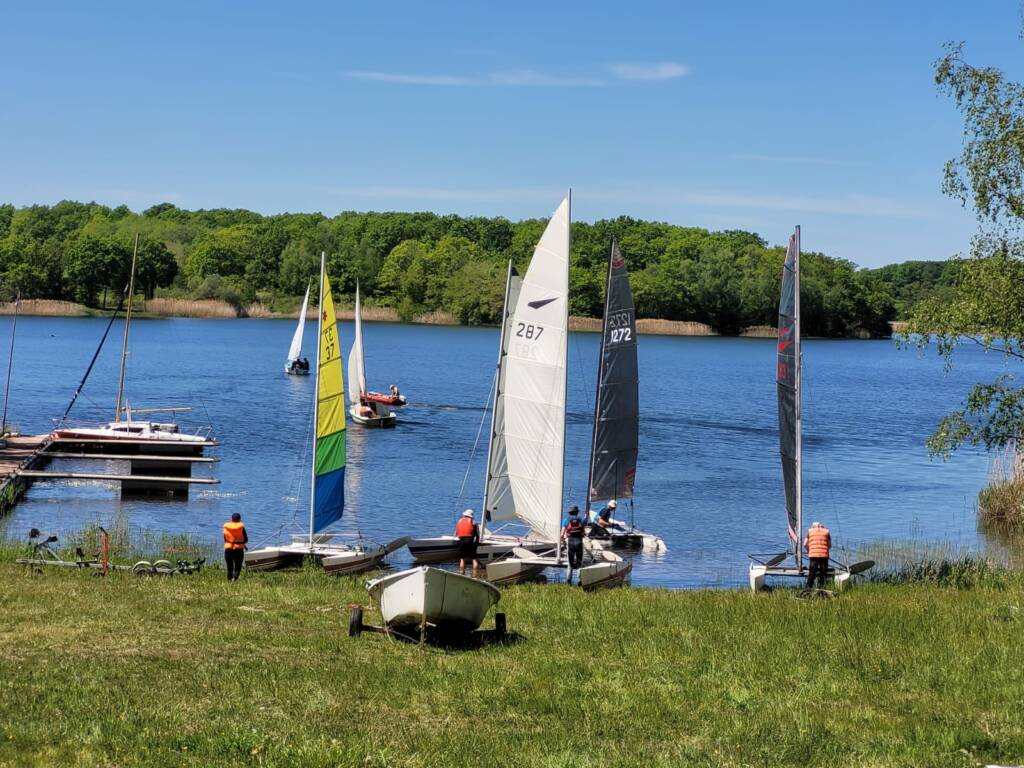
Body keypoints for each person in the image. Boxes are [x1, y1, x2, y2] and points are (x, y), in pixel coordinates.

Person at [803, 521, 831, 590]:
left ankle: (808, 589)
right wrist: (825, 550)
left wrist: (809, 551)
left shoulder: (810, 531)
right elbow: (830, 545)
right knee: (823, 574)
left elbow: (804, 544)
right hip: (824, 555)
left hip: (813, 555)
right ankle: (822, 589)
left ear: (813, 526)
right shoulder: (827, 531)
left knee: (812, 574)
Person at [562, 506, 586, 584]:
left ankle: (568, 580)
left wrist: (563, 541)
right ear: (577, 512)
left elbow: (562, 534)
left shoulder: (566, 520)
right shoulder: (581, 520)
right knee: (579, 563)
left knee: (570, 563)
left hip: (570, 543)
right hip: (579, 543)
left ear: (570, 513)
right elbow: (583, 533)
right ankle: (580, 581)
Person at [455, 509, 480, 577]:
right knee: (474, 559)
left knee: (462, 559)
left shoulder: (459, 521)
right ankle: (475, 574)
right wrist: (476, 544)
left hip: (461, 541)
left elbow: (457, 533)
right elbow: (477, 535)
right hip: (470, 541)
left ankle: (462, 574)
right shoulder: (474, 522)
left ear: (464, 515)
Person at [223, 513, 248, 581]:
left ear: (231, 519)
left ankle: (229, 580)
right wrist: (242, 543)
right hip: (238, 549)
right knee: (238, 566)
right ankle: (235, 580)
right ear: (239, 519)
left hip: (228, 549)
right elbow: (246, 539)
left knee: (229, 567)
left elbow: (225, 539)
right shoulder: (241, 527)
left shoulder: (226, 527)